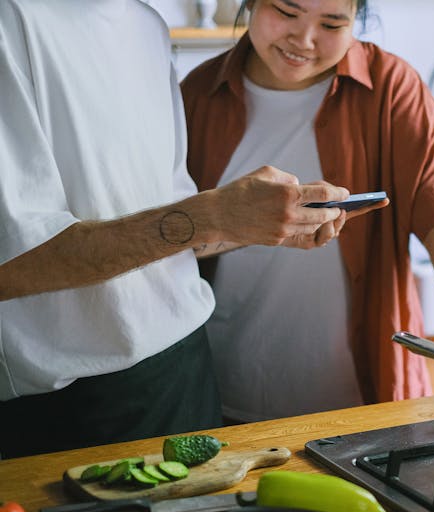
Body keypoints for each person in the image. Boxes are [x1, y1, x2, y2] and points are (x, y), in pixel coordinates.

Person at [0, 0, 382, 459]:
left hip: (186, 374)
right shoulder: (13, 21)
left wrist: (255, 224)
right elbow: (14, 263)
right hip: (69, 403)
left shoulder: (148, 27)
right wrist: (214, 214)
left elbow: (166, 233)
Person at [180, 0, 434, 422]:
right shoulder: (196, 96)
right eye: (287, 12)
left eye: (332, 23)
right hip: (222, 394)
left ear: (357, 22)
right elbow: (170, 244)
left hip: (364, 406)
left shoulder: (391, 89)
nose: (305, 39)